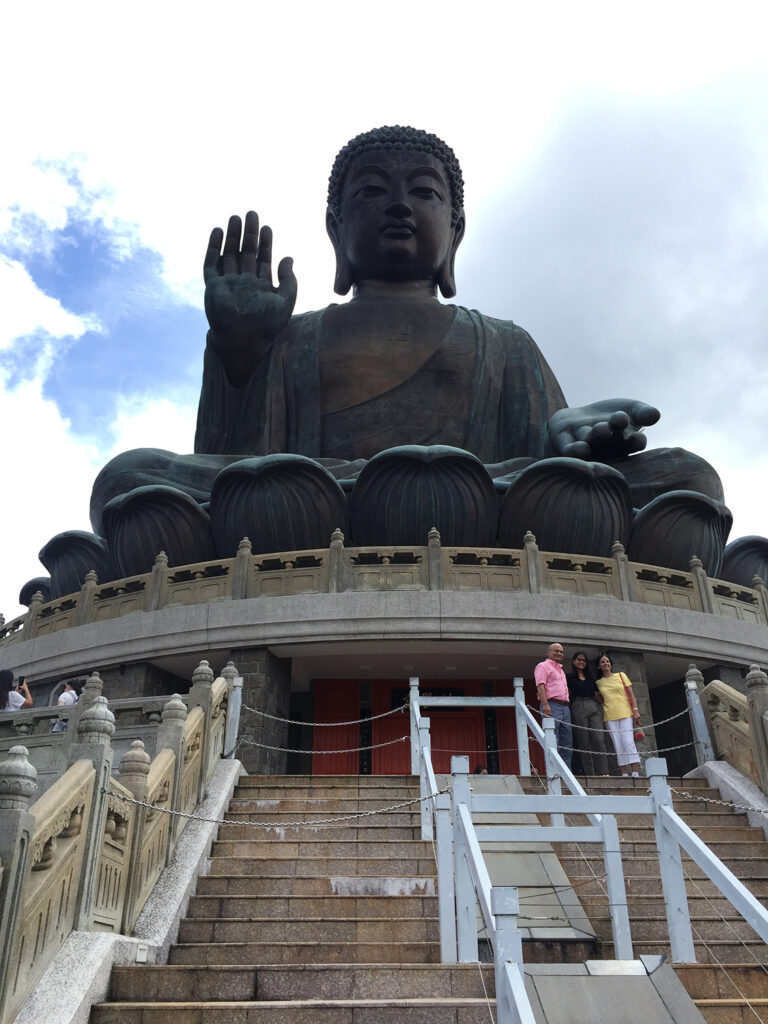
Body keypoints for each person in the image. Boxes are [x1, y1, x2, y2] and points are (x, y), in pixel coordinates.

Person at [83, 125, 725, 580]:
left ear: (456, 230)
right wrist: (240, 350)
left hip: (478, 499)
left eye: (423, 191)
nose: (396, 206)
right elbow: (241, 465)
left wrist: (569, 447)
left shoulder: (502, 341)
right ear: (336, 229)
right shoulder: (295, 337)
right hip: (317, 505)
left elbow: (544, 472)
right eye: (369, 193)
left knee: (689, 476)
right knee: (128, 477)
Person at [595, 652, 641, 777]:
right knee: (618, 744)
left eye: (607, 661)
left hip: (625, 713)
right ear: (599, 666)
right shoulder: (599, 683)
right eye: (603, 662)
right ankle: (624, 773)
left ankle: (635, 772)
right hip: (609, 715)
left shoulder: (621, 675)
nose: (606, 663)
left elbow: (631, 695)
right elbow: (600, 700)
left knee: (628, 742)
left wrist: (635, 710)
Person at [566, 651, 610, 776]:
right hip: (578, 705)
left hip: (593, 706)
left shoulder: (591, 678)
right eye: (579, 659)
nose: (582, 662)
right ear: (574, 661)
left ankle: (603, 772)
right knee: (583, 741)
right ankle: (590, 774)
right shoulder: (569, 677)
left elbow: (597, 695)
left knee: (598, 739)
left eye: (584, 660)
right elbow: (567, 693)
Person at [534, 642, 572, 769]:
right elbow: (540, 685)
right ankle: (553, 771)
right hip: (551, 705)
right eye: (556, 651)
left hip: (565, 707)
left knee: (567, 742)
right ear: (548, 652)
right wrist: (545, 704)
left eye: (561, 652)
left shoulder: (561, 670)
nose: (559, 653)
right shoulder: (543, 666)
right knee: (552, 740)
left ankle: (566, 772)